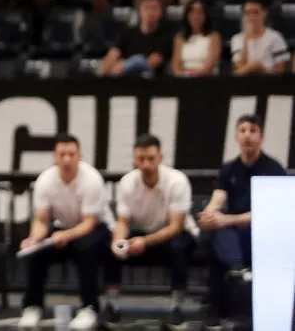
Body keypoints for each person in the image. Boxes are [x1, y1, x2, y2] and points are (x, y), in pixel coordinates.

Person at [17, 133, 113, 330]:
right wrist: (34, 238)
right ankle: (32, 306)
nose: (67, 159)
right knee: (37, 252)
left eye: (71, 154)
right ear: (55, 157)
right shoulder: (45, 180)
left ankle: (89, 308)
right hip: (64, 227)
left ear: (80, 156)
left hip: (98, 228)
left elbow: (89, 223)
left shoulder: (92, 179)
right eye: (62, 154)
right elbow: (41, 220)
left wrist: (66, 236)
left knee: (86, 248)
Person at [198, 114, 287, 326]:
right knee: (215, 233)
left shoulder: (274, 169)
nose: (247, 135)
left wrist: (226, 220)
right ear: (237, 136)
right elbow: (218, 199)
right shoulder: (229, 169)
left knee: (226, 229)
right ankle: (228, 290)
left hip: (263, 231)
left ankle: (240, 278)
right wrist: (209, 215)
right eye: (243, 130)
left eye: (253, 130)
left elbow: (268, 214)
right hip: (234, 230)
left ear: (261, 137)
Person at [100, 134, 196, 328]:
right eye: (141, 159)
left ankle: (177, 307)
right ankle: (112, 305)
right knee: (108, 246)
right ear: (135, 160)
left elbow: (176, 226)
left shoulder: (177, 181)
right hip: (142, 233)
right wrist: (118, 241)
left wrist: (145, 241)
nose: (146, 164)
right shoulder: (127, 183)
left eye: (150, 159)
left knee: (178, 248)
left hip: (176, 234)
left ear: (160, 158)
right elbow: (122, 222)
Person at [98, 0, 173, 77]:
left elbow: (154, 61)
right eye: (146, 8)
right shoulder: (127, 33)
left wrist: (124, 66)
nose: (150, 13)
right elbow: (113, 54)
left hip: (151, 80)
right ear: (140, 11)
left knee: (139, 61)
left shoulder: (166, 35)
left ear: (160, 13)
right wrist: (104, 71)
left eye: (154, 8)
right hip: (126, 79)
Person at [231, 0, 289, 76]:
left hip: (269, 82)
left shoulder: (275, 37)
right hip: (245, 83)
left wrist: (261, 69)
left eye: (256, 12)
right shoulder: (237, 39)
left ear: (264, 13)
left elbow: (280, 72)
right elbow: (238, 70)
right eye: (247, 13)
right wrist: (246, 39)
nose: (252, 16)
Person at [171, 0, 221, 76]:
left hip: (206, 79)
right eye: (192, 12)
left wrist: (194, 74)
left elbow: (209, 66)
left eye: (200, 12)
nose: (196, 16)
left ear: (205, 15)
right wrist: (184, 75)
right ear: (187, 16)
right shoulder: (179, 38)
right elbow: (175, 66)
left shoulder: (214, 36)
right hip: (184, 79)